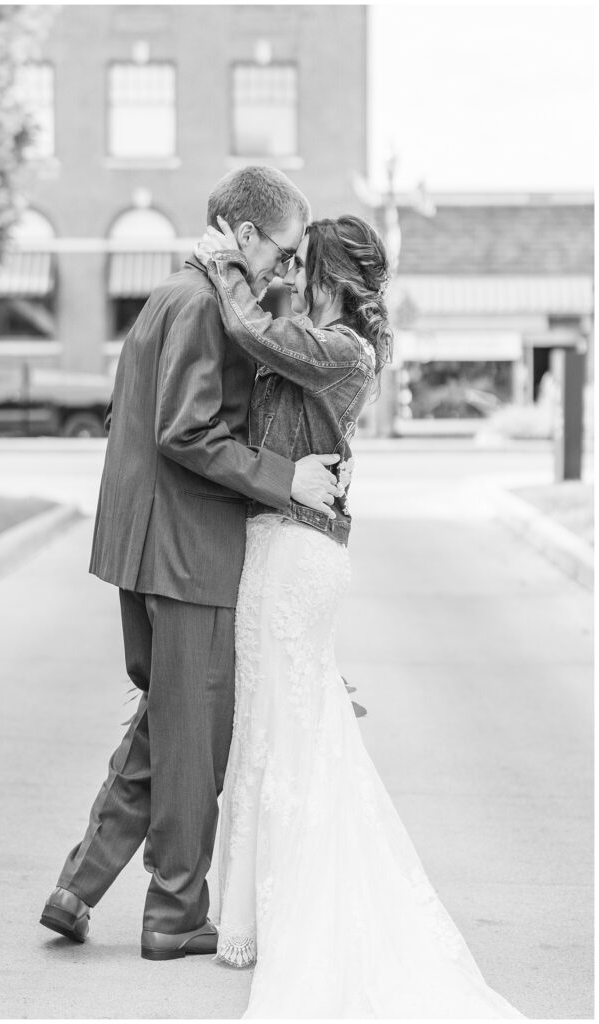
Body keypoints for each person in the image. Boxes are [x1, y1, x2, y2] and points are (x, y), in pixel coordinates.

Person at [194, 215, 524, 1017]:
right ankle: (259, 903)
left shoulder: (344, 351)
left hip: (303, 551)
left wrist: (223, 266)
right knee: (276, 721)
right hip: (278, 544)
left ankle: (300, 899)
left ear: (334, 275)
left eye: (305, 263)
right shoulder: (313, 332)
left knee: (292, 725)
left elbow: (251, 331)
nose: (294, 272)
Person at [39, 166, 342, 961]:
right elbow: (186, 431)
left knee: (163, 721)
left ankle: (79, 885)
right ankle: (175, 913)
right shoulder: (207, 307)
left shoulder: (175, 291)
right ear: (245, 234)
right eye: (282, 250)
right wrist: (289, 480)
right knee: (194, 744)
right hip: (190, 551)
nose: (286, 269)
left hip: (147, 549)